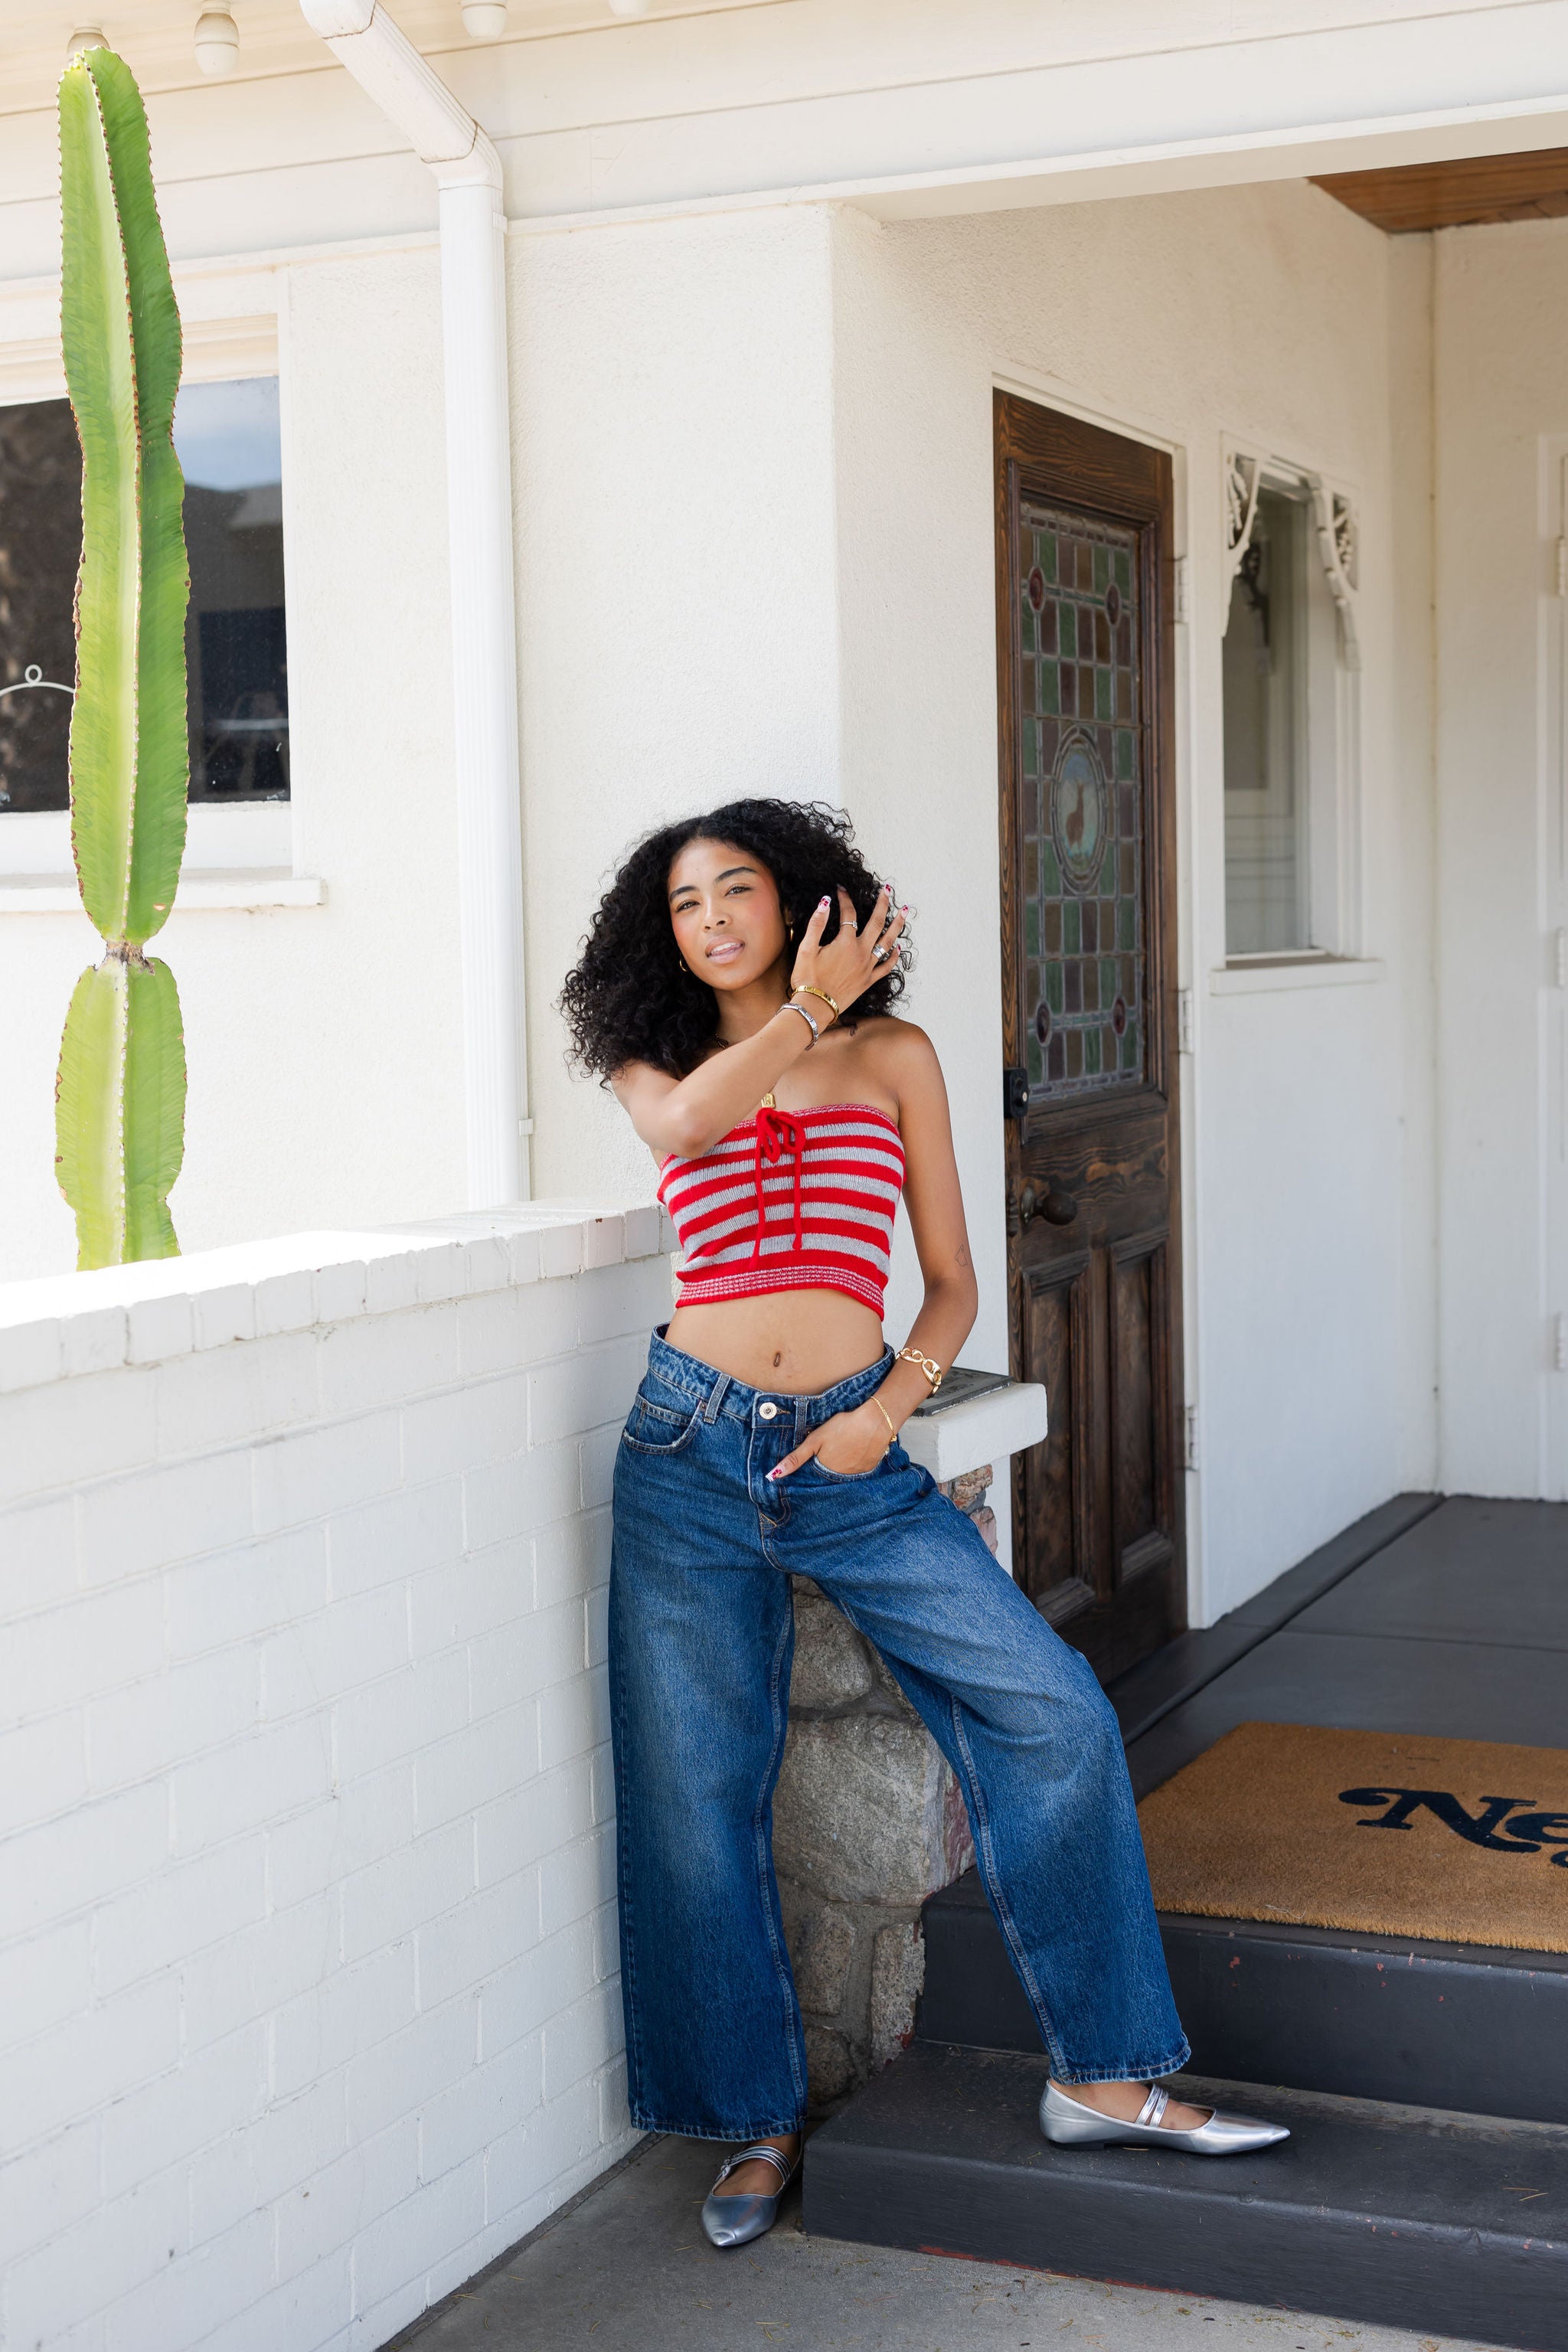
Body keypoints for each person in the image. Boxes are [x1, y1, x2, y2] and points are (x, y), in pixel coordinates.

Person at [560, 799, 1286, 2252]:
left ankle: (1105, 2074)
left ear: (806, 899)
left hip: (850, 1454)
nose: (712, 919)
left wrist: (887, 1410)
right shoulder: (669, 1064)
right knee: (695, 1796)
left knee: (1053, 1711)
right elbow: (690, 1125)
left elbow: (951, 1283)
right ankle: (750, 2123)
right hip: (686, 1452)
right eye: (687, 903)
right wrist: (794, 1016)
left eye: (740, 890)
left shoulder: (894, 1060)